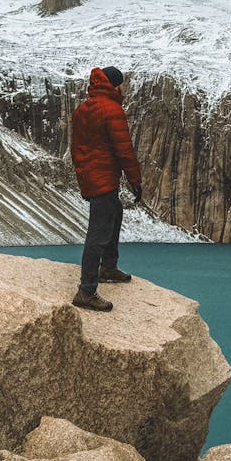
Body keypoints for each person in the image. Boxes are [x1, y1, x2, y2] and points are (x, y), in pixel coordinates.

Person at [70, 65, 142, 311]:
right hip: (103, 175)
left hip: (91, 174)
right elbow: (124, 150)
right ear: (114, 85)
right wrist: (135, 180)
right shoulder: (112, 110)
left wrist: (85, 173)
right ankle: (86, 291)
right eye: (121, 84)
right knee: (99, 231)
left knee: (115, 211)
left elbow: (77, 147)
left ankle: (108, 268)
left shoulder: (83, 109)